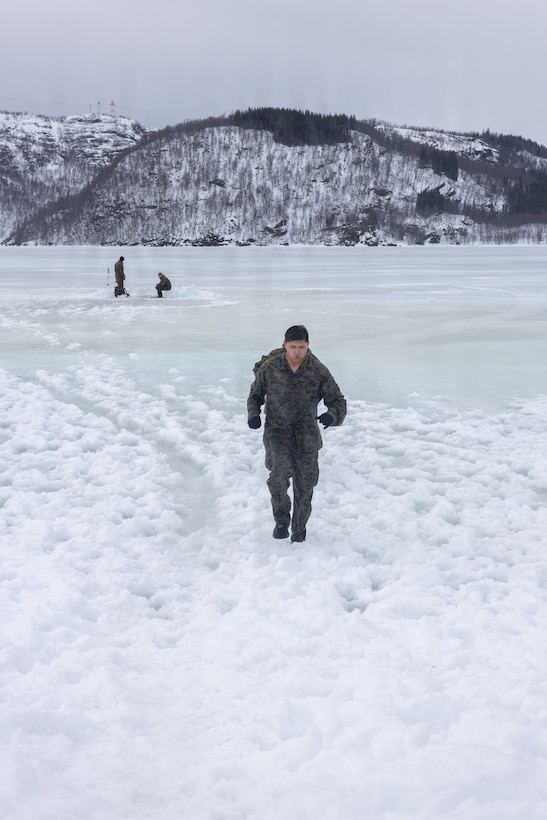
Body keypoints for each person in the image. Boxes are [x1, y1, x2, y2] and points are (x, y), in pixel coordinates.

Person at [247, 324, 347, 543]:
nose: (297, 352)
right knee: (278, 477)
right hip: (277, 432)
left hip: (306, 436)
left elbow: (338, 401)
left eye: (301, 347)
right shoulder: (271, 367)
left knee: (305, 485)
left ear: (307, 345)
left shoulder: (318, 370)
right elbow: (255, 394)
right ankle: (281, 520)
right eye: (293, 347)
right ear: (284, 345)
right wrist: (253, 415)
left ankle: (299, 530)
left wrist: (332, 416)